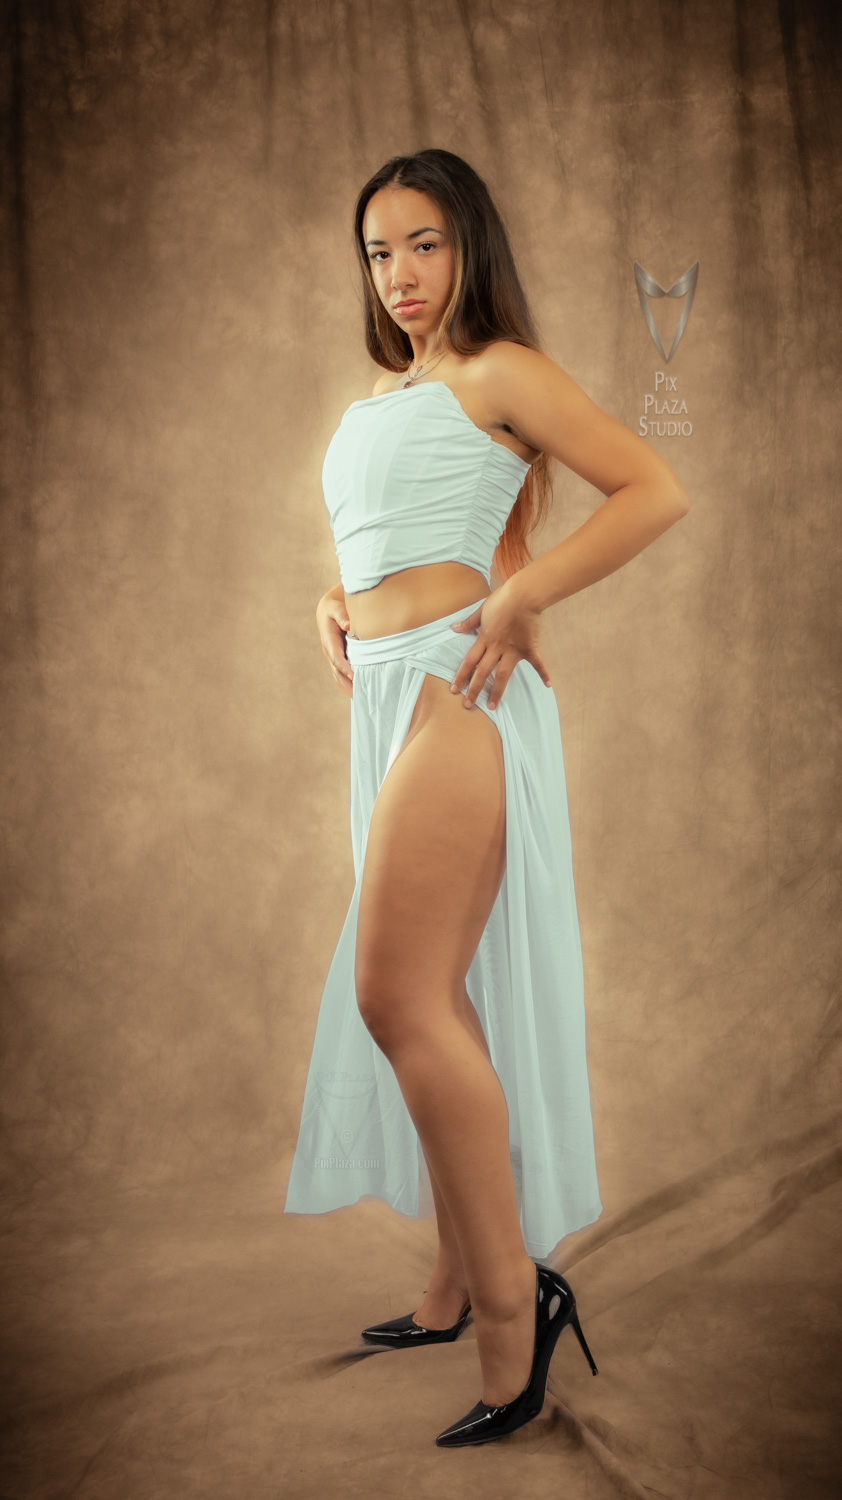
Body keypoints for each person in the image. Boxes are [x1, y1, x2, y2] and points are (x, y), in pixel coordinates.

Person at [284, 148, 689, 1448]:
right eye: (378, 251)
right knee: (435, 993)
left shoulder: (500, 370)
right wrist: (335, 599)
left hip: (455, 693)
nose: (399, 274)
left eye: (425, 244)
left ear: (470, 246)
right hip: (383, 694)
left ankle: (516, 1310)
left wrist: (521, 598)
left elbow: (655, 488)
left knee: (396, 996)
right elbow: (410, 533)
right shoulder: (381, 401)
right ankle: (456, 1279)